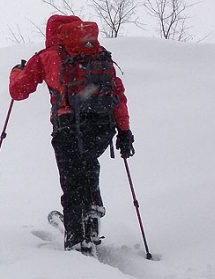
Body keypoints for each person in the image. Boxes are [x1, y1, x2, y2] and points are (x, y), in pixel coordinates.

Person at [9, 15, 134, 250]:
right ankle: (92, 215)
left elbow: (19, 90)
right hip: (102, 127)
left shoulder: (47, 57)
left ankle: (76, 239)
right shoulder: (97, 54)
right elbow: (117, 93)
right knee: (88, 164)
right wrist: (124, 131)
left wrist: (16, 71)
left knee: (72, 181)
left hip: (68, 128)